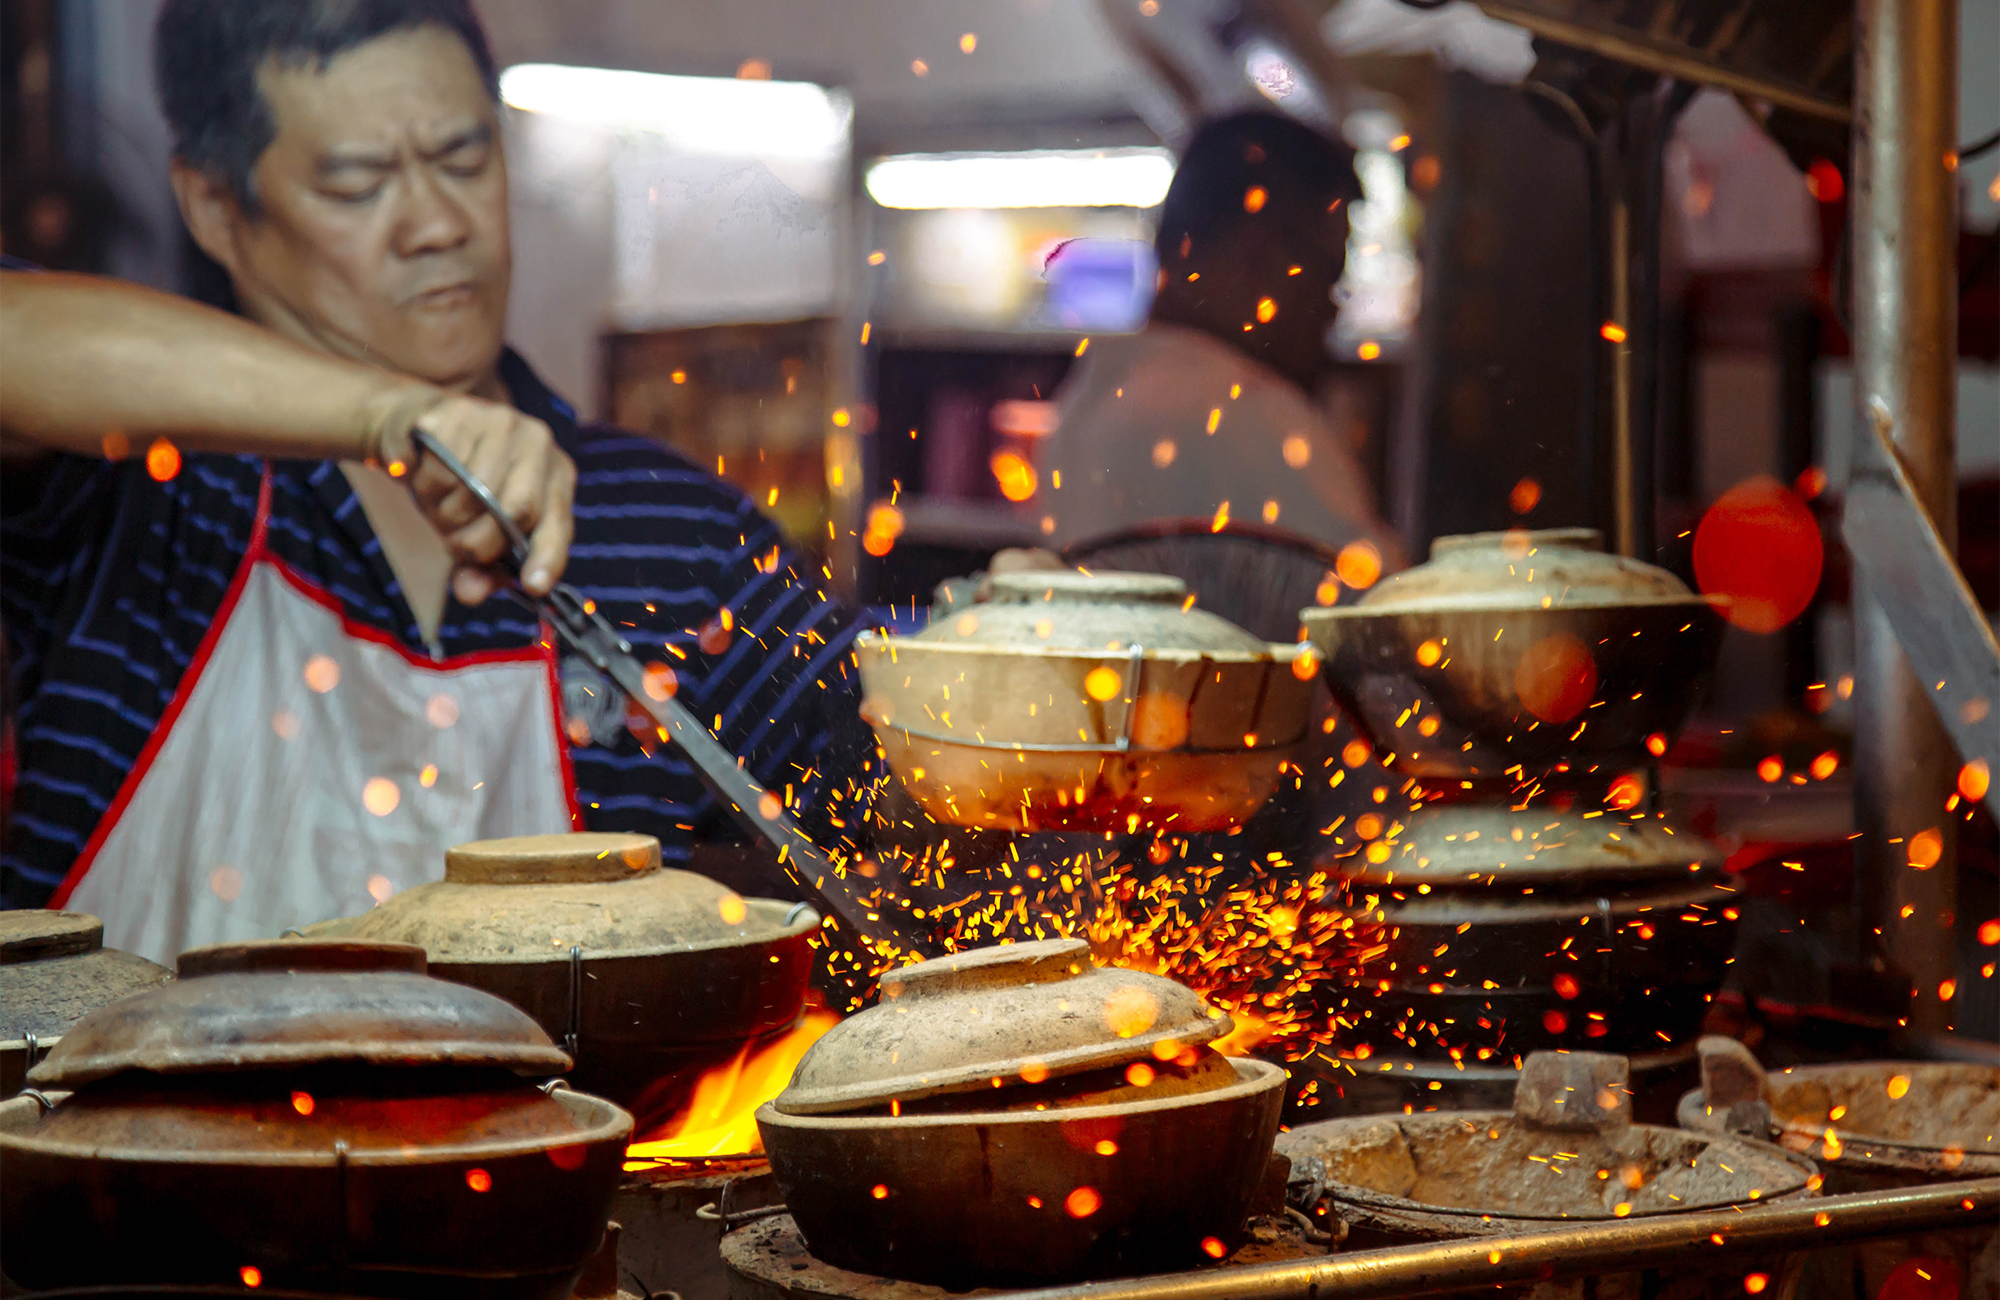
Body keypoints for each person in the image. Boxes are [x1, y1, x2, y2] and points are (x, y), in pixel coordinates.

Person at [0, 0, 874, 962]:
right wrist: (393, 418)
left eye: (464, 160)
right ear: (214, 206)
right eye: (359, 183)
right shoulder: (141, 489)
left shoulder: (677, 536)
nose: (437, 224)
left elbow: (894, 800)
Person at [1040, 111, 1400, 559]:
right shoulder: (1253, 415)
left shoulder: (1087, 399)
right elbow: (1385, 610)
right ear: (1256, 257)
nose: (1331, 310)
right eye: (1327, 276)